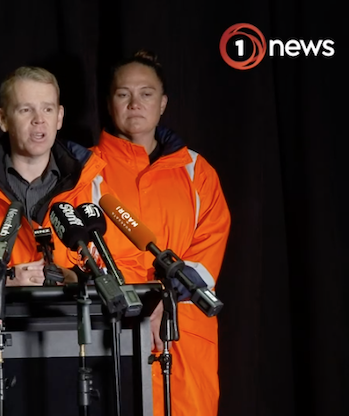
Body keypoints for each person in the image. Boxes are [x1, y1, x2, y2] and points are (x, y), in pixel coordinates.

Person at [91, 49, 231, 416]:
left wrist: (166, 299)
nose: (135, 103)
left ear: (163, 102)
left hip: (182, 335)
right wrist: (134, 302)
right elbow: (73, 252)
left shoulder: (196, 171)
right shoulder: (85, 171)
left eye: (146, 93)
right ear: (109, 103)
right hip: (113, 329)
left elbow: (209, 249)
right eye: (123, 94)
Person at [0, 66, 141, 289]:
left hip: (76, 322)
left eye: (47, 109)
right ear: (3, 119)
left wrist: (77, 278)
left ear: (59, 117)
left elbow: (132, 267)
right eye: (26, 110)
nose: (39, 120)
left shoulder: (95, 188)